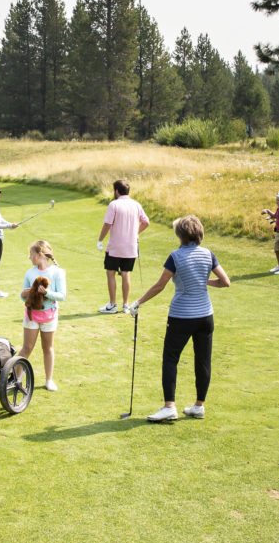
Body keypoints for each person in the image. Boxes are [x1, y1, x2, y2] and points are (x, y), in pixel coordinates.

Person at [125, 215, 231, 422]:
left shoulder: (175, 256)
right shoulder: (208, 254)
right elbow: (225, 281)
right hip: (205, 316)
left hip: (182, 316)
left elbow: (160, 285)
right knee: (203, 360)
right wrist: (203, 281)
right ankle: (199, 406)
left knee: (171, 358)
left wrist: (138, 302)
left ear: (180, 235)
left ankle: (169, 407)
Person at [19, 240, 66, 391]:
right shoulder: (30, 272)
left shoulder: (57, 272)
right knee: (27, 347)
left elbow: (62, 295)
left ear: (40, 255)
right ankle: (16, 379)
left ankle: (49, 380)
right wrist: (24, 294)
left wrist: (47, 293)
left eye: (31, 255)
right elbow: (23, 296)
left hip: (49, 317)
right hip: (32, 315)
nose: (29, 258)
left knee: (48, 348)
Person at [97, 179, 150, 314]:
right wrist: (136, 233)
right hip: (131, 247)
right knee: (126, 274)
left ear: (116, 191)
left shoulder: (114, 204)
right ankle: (125, 305)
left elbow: (107, 224)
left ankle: (112, 305)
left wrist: (100, 240)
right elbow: (146, 222)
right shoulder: (136, 205)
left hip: (115, 247)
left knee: (111, 273)